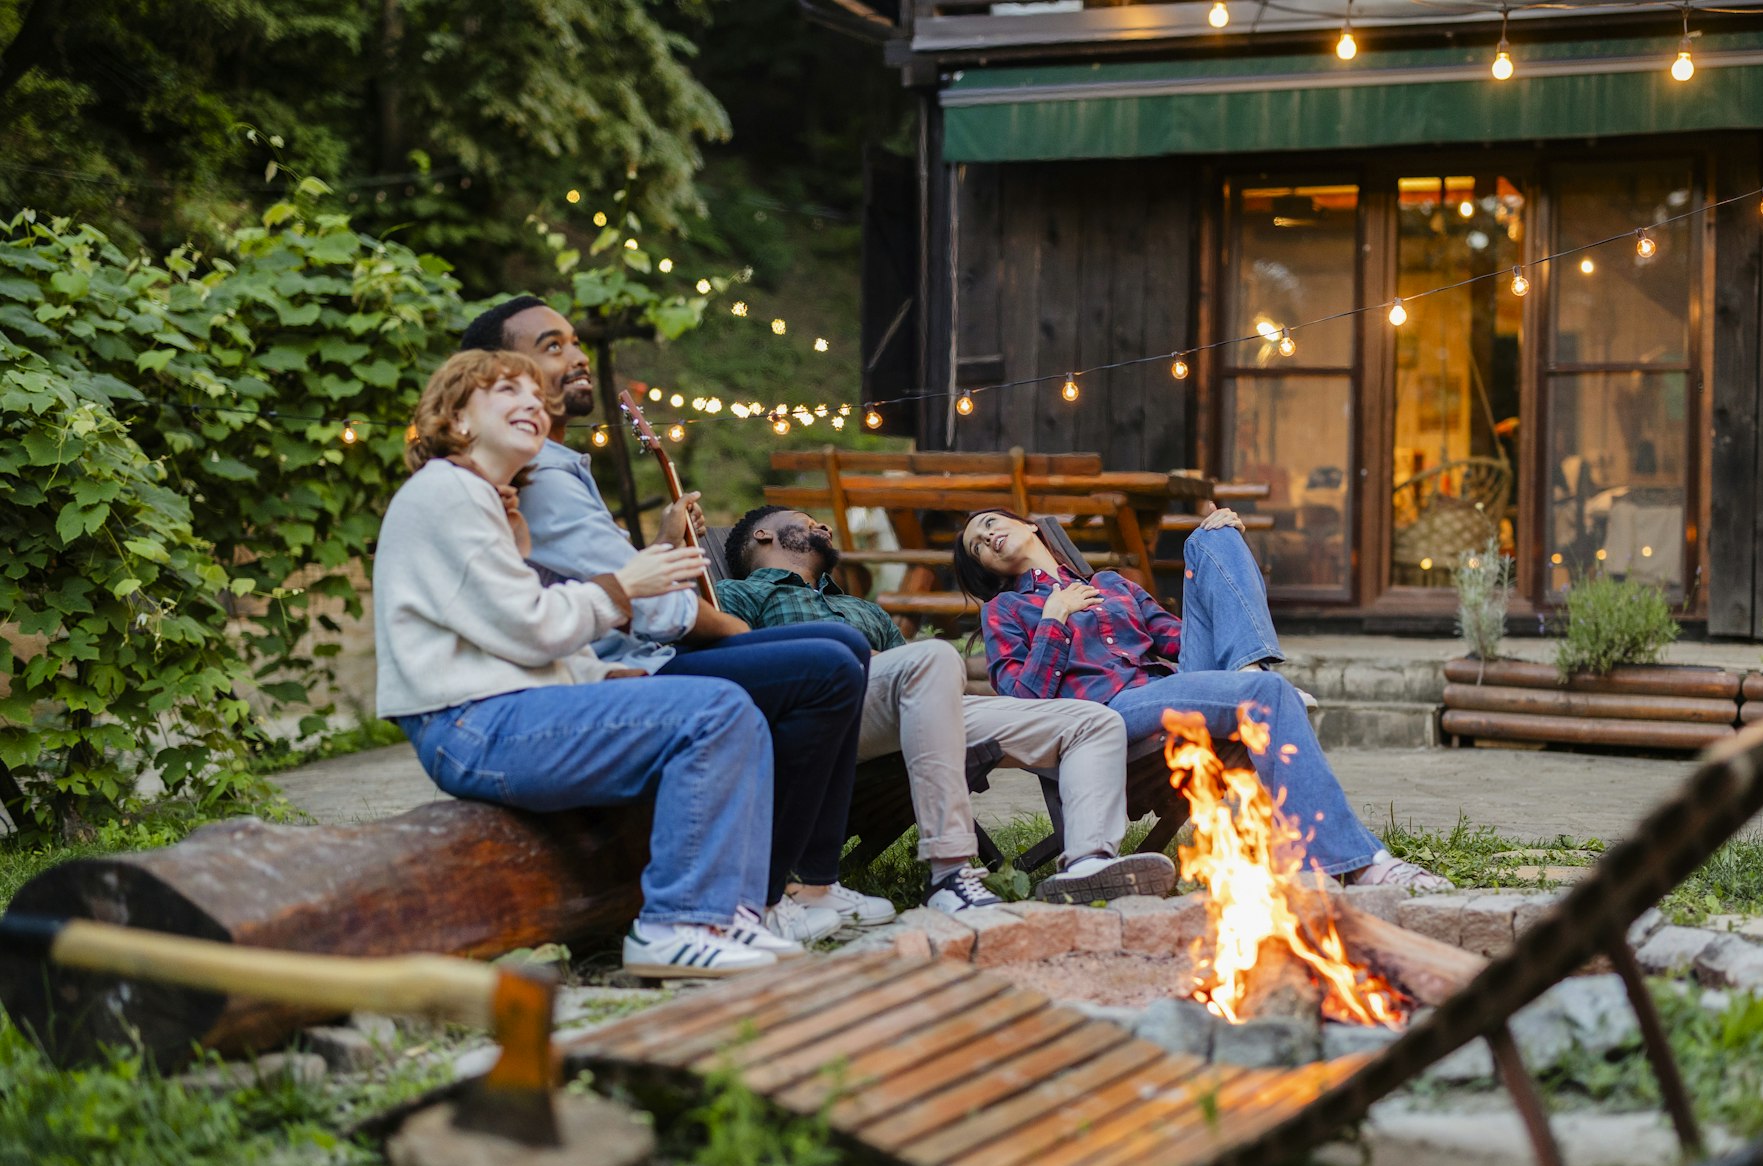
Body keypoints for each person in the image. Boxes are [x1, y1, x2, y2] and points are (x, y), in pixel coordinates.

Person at [458, 296, 875, 941]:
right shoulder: (537, 476)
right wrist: (733, 627)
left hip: (636, 651)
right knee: (828, 666)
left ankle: (813, 883)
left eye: (573, 342)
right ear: (497, 380)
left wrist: (659, 545)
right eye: (550, 347)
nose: (575, 357)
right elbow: (652, 608)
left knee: (841, 641)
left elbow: (623, 584)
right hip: (615, 674)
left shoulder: (562, 468)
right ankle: (764, 896)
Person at [373, 349, 794, 978]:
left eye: (534, 395)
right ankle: (674, 925)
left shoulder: (487, 500)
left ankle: (726, 915)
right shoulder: (447, 494)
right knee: (713, 711)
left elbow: (514, 638)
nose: (532, 401)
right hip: (467, 727)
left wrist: (601, 677)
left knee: (733, 708)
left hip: (504, 711)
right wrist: (625, 585)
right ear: (457, 420)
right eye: (504, 390)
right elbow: (529, 627)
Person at [954, 507, 1451, 889]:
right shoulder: (1007, 609)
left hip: (1168, 688)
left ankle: (1247, 672)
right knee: (1268, 694)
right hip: (1110, 712)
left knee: (1213, 537)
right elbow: (1023, 701)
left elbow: (1177, 638)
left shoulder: (1111, 585)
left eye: (991, 523)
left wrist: (1218, 556)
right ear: (989, 568)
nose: (987, 536)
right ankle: (1364, 865)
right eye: (978, 545)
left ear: (1030, 526)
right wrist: (1054, 619)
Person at [721, 506, 1179, 909]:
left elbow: (915, 676)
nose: (822, 524)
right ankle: (950, 875)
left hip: (917, 707)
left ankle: (1086, 865)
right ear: (764, 535)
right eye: (805, 520)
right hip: (827, 708)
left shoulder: (862, 610)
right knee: (935, 654)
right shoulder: (742, 596)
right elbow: (738, 656)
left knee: (1093, 721)